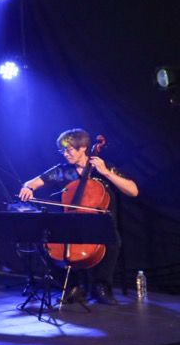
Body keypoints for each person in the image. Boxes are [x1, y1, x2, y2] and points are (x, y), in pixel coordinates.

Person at [18, 128, 138, 305]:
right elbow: (32, 182)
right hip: (71, 223)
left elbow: (133, 191)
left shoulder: (104, 167)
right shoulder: (62, 170)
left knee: (112, 241)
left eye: (69, 150)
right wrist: (28, 188)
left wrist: (106, 172)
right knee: (46, 246)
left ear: (83, 148)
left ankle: (101, 287)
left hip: (100, 223)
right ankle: (72, 287)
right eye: (63, 150)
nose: (65, 154)